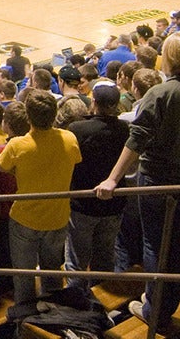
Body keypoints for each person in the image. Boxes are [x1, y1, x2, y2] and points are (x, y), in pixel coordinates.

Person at [94, 31, 180, 328]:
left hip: (159, 180)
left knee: (155, 244)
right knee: (173, 240)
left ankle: (156, 309)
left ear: (169, 58)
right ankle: (166, 303)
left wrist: (113, 179)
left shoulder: (160, 93)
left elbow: (136, 139)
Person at [0, 89, 80, 322]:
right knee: (52, 272)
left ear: (28, 117)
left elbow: (4, 167)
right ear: (55, 114)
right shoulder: (69, 138)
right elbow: (74, 159)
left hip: (24, 218)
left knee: (23, 276)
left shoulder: (17, 145)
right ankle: (53, 318)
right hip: (58, 216)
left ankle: (25, 322)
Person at [64, 84, 129, 294]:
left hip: (83, 205)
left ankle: (77, 305)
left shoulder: (77, 129)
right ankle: (103, 302)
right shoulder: (125, 130)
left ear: (93, 103)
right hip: (113, 205)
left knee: (76, 262)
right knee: (105, 257)